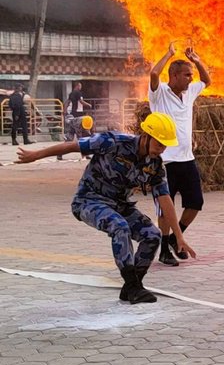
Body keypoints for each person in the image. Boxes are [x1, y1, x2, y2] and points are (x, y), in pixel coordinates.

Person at [15, 112, 196, 304]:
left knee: (152, 235)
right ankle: (133, 286)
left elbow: (165, 198)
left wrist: (179, 237)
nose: (162, 149)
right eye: (159, 144)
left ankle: (131, 287)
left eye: (165, 145)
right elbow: (72, 146)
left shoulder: (155, 165)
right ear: (146, 136)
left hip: (120, 205)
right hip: (89, 200)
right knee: (119, 226)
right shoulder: (114, 142)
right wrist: (35, 155)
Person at [148, 42, 210, 267]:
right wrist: (169, 54)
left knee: (195, 202)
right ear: (173, 76)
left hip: (186, 159)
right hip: (165, 161)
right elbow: (154, 72)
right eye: (186, 75)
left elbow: (207, 80)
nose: (190, 79)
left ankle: (176, 238)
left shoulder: (190, 92)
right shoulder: (160, 93)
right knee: (166, 207)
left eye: (190, 75)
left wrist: (196, 61)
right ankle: (164, 249)